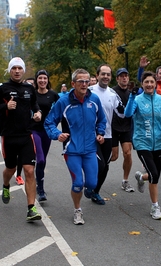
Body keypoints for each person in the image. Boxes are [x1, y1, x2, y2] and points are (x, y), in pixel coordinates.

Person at [44, 68, 106, 225]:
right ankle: (78, 210)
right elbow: (49, 121)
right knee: (78, 183)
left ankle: (86, 191)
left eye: (87, 81)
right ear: (73, 83)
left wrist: (100, 133)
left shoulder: (94, 100)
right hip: (71, 149)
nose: (85, 84)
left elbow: (102, 120)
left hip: (91, 148)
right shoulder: (64, 101)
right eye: (81, 81)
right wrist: (57, 134)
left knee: (92, 184)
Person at [0, 57, 43, 222]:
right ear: (10, 70)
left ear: (23, 70)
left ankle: (31, 208)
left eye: (20, 68)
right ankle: (6, 185)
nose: (17, 71)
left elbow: (35, 105)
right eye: (14, 68)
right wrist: (5, 106)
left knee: (29, 171)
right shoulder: (2, 87)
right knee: (10, 170)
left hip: (26, 135)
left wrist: (38, 113)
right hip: (9, 136)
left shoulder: (29, 88)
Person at [125, 71, 161, 219]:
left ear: (155, 83)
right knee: (155, 175)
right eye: (146, 82)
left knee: (153, 175)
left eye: (152, 82)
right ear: (142, 84)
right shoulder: (137, 99)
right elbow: (127, 114)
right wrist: (131, 96)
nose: (149, 84)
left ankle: (141, 177)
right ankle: (155, 207)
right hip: (142, 141)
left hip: (158, 142)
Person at [86, 64, 125, 205]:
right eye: (103, 74)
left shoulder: (113, 94)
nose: (105, 76)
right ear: (97, 76)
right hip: (90, 135)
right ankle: (89, 184)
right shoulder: (89, 91)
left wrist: (129, 106)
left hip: (107, 134)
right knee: (100, 165)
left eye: (108, 74)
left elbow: (122, 113)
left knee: (106, 166)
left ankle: (95, 192)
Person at [32, 69, 59, 201]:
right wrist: (33, 116)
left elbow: (62, 109)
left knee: (43, 161)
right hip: (34, 130)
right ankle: (41, 189)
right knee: (40, 159)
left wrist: (55, 122)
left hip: (47, 131)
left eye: (45, 78)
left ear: (48, 80)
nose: (42, 80)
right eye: (40, 78)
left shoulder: (53, 95)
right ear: (36, 80)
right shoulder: (32, 94)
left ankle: (40, 185)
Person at [111, 68, 135, 192]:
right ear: (117, 78)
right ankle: (99, 168)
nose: (124, 78)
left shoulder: (132, 93)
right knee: (114, 156)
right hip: (113, 127)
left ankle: (125, 181)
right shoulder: (112, 92)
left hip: (126, 128)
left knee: (128, 153)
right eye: (121, 76)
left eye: (126, 76)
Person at [14, 77, 36, 186]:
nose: (30, 85)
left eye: (32, 84)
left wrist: (39, 113)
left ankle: (38, 183)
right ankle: (18, 175)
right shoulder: (22, 94)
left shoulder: (36, 95)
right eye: (29, 83)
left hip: (36, 130)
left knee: (38, 160)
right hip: (22, 131)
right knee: (18, 157)